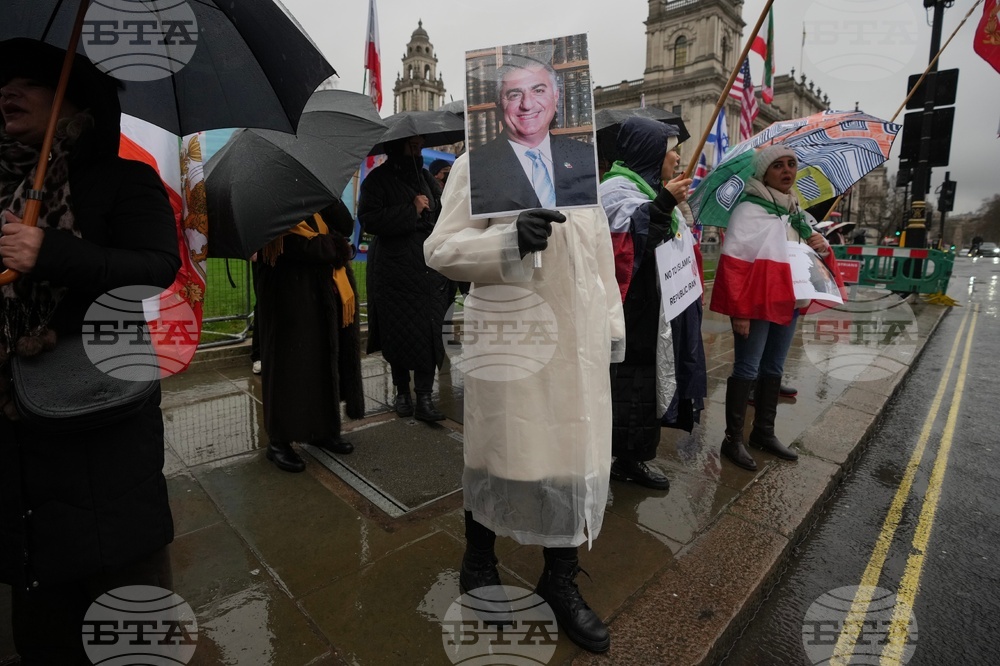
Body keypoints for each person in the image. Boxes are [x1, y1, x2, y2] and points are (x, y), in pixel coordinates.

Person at [0, 40, 180, 663]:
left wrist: (47, 252)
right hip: (16, 441)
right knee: (43, 626)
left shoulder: (121, 180)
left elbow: (156, 267)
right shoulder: (4, 189)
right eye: (3, 83)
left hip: (99, 424)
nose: (8, 92)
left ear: (76, 102)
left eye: (30, 82)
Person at [424, 153, 625, 653]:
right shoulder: (481, 161)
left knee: (570, 458)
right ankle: (479, 562)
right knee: (502, 449)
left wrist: (612, 331)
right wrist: (507, 240)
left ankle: (559, 581)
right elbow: (442, 247)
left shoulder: (578, 162)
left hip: (579, 343)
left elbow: (600, 259)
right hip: (515, 338)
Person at [710, 145, 834, 471]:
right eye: (777, 165)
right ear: (764, 173)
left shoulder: (794, 212)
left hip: (788, 300)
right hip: (755, 303)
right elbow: (735, 265)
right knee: (747, 369)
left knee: (774, 369)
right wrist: (739, 310)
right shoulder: (748, 210)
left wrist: (819, 243)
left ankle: (763, 432)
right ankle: (732, 440)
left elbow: (804, 259)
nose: (786, 171)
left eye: (791, 164)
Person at [599, 117, 705, 491]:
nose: (677, 157)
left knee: (643, 387)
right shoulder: (615, 190)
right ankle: (621, 460)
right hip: (632, 311)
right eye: (671, 149)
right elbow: (631, 243)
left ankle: (632, 457)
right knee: (629, 386)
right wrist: (663, 203)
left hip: (655, 308)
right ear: (650, 152)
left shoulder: (649, 188)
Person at [257, 200, 365, 472]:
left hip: (324, 294)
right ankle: (279, 441)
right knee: (289, 368)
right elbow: (288, 246)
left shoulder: (311, 195)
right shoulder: (269, 203)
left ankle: (322, 429)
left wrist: (328, 197)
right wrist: (336, 248)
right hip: (288, 298)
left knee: (321, 362)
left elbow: (344, 226)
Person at [358, 135, 452, 422]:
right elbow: (369, 220)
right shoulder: (376, 180)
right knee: (397, 331)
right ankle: (402, 393)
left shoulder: (425, 177)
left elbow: (442, 211)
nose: (418, 147)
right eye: (412, 144)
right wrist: (410, 209)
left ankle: (424, 397)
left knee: (430, 331)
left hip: (428, 269)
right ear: (396, 146)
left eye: (420, 144)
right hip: (394, 270)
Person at [468, 54, 598, 216]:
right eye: (514, 95)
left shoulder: (587, 157)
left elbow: (599, 231)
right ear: (499, 105)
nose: (527, 105)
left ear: (555, 97)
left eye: (538, 90)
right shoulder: (471, 167)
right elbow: (445, 240)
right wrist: (510, 233)